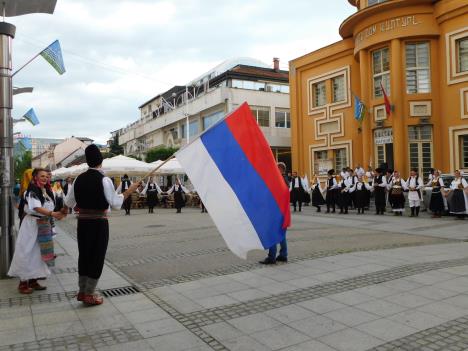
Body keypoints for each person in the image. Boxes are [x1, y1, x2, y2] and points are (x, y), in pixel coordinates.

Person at [64, 144, 140, 305]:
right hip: (99, 223)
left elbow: (69, 202)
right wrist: (129, 190)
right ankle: (89, 293)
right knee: (97, 256)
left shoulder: (78, 179)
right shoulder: (104, 179)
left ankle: (82, 290)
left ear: (87, 161)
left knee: (84, 255)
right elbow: (115, 203)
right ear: (101, 161)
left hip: (82, 223)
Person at [8, 168, 65, 294]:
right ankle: (23, 282)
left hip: (42, 224)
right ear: (35, 177)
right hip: (32, 225)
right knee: (27, 252)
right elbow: (36, 207)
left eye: (46, 176)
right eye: (42, 176)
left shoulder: (46, 190)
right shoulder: (31, 191)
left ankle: (33, 280)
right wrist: (53, 213)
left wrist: (57, 214)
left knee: (39, 253)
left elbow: (49, 207)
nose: (45, 178)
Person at [259, 162, 288, 265]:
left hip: (276, 211)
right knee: (281, 233)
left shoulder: (280, 180)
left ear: (280, 169)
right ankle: (283, 254)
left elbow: (275, 195)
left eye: (276, 168)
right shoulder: (285, 179)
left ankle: (272, 257)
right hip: (281, 211)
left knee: (272, 233)